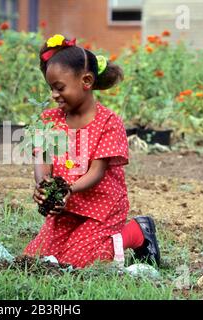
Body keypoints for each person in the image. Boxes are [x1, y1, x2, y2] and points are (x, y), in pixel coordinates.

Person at [25, 34, 161, 268]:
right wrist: (44, 186)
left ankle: (136, 232)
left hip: (101, 210)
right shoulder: (50, 119)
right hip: (65, 210)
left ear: (86, 81)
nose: (54, 95)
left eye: (60, 88)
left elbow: (97, 172)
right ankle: (80, 240)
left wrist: (68, 188)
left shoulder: (108, 122)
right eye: (51, 88)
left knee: (78, 262)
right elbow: (43, 159)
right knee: (39, 259)